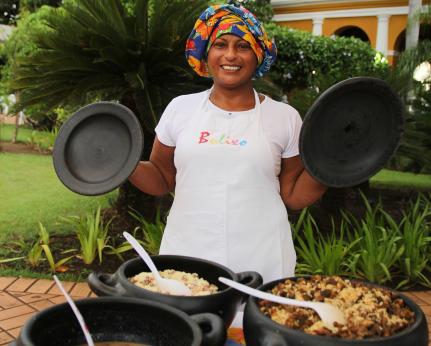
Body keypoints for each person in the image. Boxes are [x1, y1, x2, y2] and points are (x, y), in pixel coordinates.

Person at [129, 2, 327, 283]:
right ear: (206, 52)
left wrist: (334, 166)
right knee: (191, 326)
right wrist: (122, 164)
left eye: (243, 46)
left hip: (262, 259)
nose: (230, 55)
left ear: (258, 54)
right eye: (220, 44)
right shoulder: (180, 109)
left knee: (255, 326)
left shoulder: (284, 117)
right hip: (188, 254)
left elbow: (293, 194)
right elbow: (162, 177)